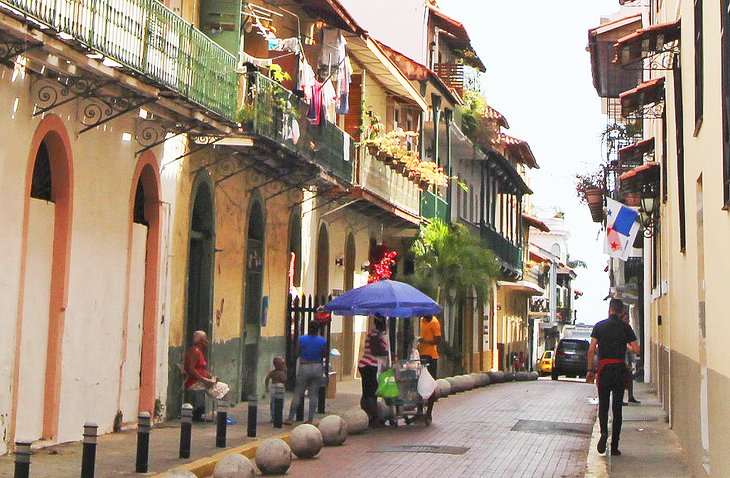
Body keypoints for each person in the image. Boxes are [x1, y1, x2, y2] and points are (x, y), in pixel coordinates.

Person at [587, 298, 640, 456]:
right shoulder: (625, 327)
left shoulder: (599, 326)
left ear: (610, 310)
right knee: (617, 409)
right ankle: (615, 445)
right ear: (622, 312)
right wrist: (625, 346)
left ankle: (603, 433)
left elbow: (591, 349)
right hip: (619, 369)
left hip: (604, 370)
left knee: (603, 405)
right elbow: (636, 349)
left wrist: (590, 370)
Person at [284, 320, 327, 425]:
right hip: (317, 366)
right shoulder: (322, 341)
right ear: (318, 329)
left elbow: (297, 353)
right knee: (313, 394)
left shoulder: (302, 339)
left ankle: (290, 418)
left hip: (304, 366)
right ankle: (310, 419)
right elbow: (324, 354)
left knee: (298, 393)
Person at [358, 314, 390, 426]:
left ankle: (368, 416)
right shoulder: (375, 335)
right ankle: (374, 418)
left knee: (366, 392)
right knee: (371, 393)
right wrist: (387, 353)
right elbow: (376, 351)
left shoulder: (374, 334)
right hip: (369, 365)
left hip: (366, 365)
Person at [184, 330, 216, 422]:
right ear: (201, 340)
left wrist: (208, 375)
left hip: (200, 381)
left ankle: (200, 411)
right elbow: (191, 369)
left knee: (217, 386)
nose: (207, 340)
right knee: (222, 388)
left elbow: (200, 368)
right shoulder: (195, 351)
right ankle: (199, 411)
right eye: (205, 338)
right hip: (194, 382)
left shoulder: (199, 352)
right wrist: (204, 380)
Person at [620, 311, 641, 404]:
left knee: (629, 378)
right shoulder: (621, 329)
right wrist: (631, 348)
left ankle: (630, 396)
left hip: (627, 357)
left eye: (628, 319)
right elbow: (627, 346)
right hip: (622, 358)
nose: (627, 320)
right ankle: (621, 398)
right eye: (626, 319)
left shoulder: (627, 329)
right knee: (623, 378)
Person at [264, 357, 288, 422]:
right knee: (273, 402)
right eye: (282, 364)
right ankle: (273, 416)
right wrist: (266, 387)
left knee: (280, 402)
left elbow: (285, 379)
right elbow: (267, 378)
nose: (284, 365)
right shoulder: (274, 372)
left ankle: (278, 416)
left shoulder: (284, 371)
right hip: (275, 388)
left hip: (281, 388)